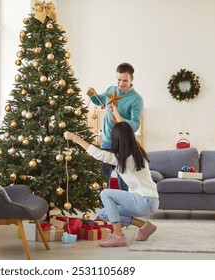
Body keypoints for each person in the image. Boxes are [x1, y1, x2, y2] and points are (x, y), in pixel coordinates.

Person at [63, 107, 158, 247]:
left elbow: (98, 154)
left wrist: (75, 138)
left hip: (144, 200)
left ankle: (118, 236)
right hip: (151, 202)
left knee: (106, 193)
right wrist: (117, 116)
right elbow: (127, 132)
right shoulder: (138, 150)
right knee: (105, 213)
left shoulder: (123, 158)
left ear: (116, 139)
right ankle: (144, 226)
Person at [87, 62, 143, 191]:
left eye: (125, 80)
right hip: (107, 142)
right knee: (102, 179)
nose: (121, 83)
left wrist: (119, 120)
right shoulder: (111, 90)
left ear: (132, 79)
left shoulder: (136, 99)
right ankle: (104, 208)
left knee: (124, 181)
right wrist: (92, 94)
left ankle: (124, 209)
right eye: (119, 79)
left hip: (124, 145)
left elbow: (134, 125)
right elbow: (99, 100)